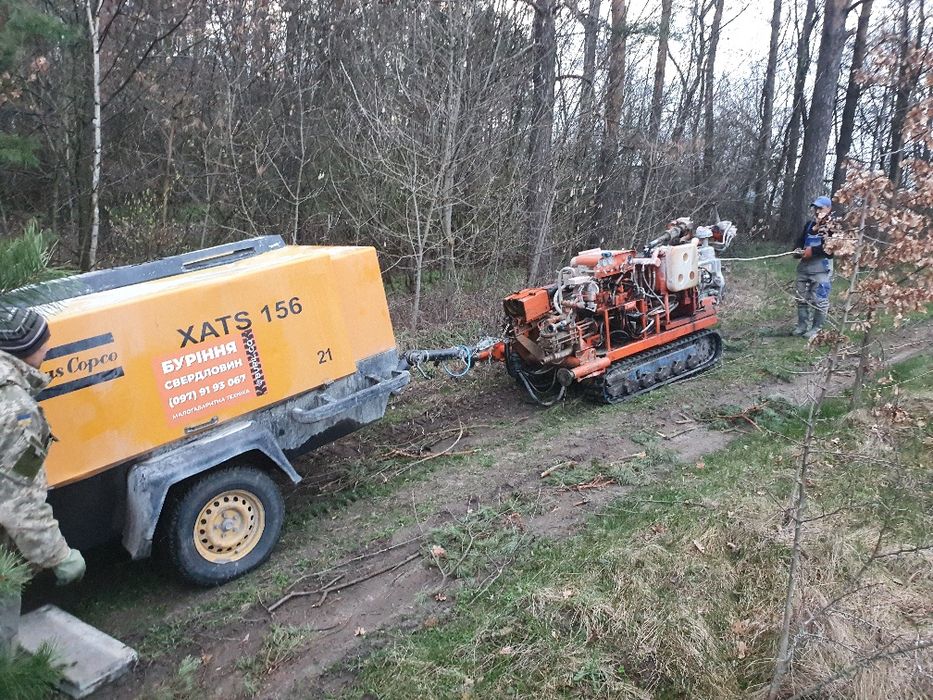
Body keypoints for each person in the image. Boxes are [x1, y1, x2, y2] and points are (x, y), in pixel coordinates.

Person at [0, 306, 85, 585]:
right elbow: (17, 500)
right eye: (42, 342)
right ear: (22, 349)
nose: (48, 348)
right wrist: (58, 556)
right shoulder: (14, 410)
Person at [792, 195, 839, 339]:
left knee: (820, 299)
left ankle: (816, 328)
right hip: (804, 267)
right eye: (816, 208)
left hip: (822, 268)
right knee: (800, 297)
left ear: (829, 209)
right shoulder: (809, 224)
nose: (817, 211)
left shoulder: (833, 227)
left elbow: (832, 247)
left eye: (821, 208)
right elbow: (800, 240)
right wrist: (797, 250)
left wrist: (812, 251)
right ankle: (802, 326)